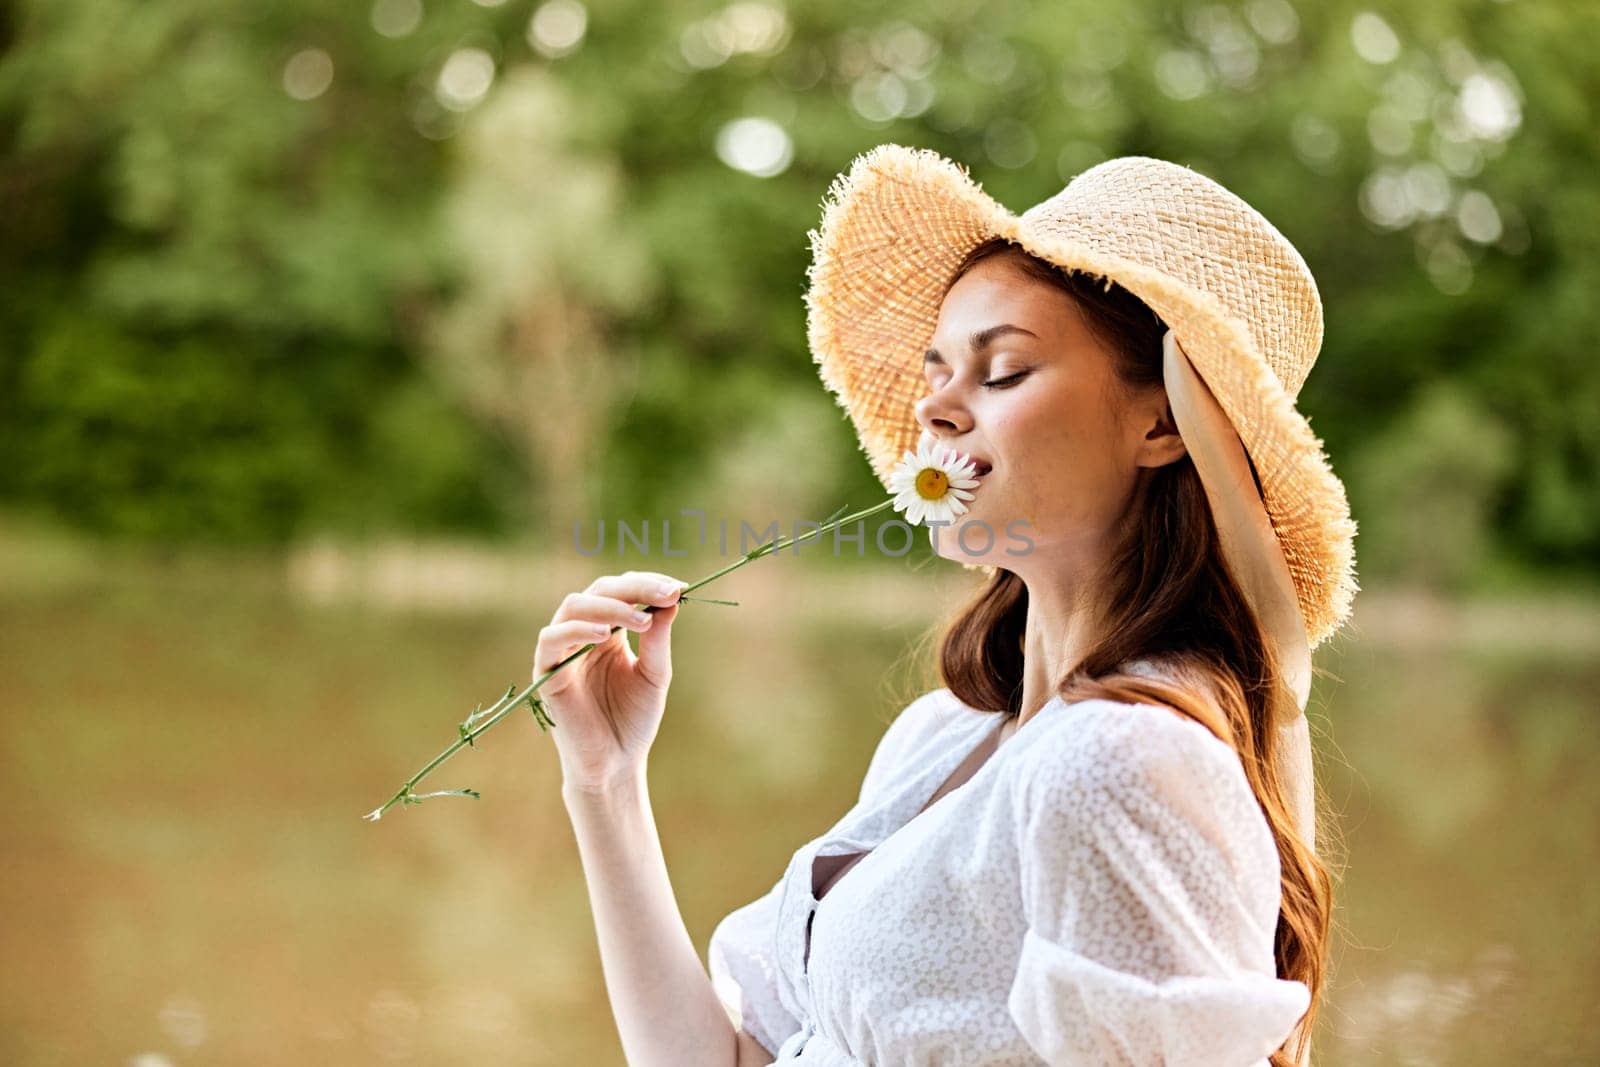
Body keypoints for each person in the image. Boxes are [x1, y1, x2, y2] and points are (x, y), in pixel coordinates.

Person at [536, 145, 1357, 1066]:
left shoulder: (1123, 759)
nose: (937, 412)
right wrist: (606, 780)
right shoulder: (946, 737)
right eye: (937, 373)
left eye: (1001, 371)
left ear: (1164, 422)